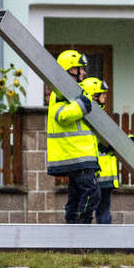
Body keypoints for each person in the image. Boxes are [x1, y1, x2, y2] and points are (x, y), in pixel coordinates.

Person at [47, 49, 104, 223]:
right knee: (92, 192)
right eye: (80, 68)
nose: (84, 72)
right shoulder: (60, 93)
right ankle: (81, 227)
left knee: (76, 195)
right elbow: (62, 116)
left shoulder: (71, 93)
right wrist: (83, 104)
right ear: (70, 69)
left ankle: (71, 230)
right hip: (75, 155)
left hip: (79, 156)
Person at [96, 134, 134, 224]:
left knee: (100, 209)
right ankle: (105, 234)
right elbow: (119, 140)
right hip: (104, 179)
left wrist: (132, 138)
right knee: (103, 210)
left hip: (97, 179)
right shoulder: (103, 138)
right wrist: (132, 139)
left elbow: (119, 139)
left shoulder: (93, 136)